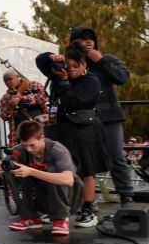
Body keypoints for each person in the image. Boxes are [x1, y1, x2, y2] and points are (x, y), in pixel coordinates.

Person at [36, 43, 109, 228]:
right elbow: (40, 60)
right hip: (60, 128)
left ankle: (88, 209)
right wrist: (53, 58)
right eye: (69, 66)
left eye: (77, 66)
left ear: (84, 65)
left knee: (85, 170)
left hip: (84, 130)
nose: (73, 70)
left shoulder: (90, 81)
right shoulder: (59, 73)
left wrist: (62, 81)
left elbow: (73, 102)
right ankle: (61, 208)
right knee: (59, 168)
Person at [70, 26, 136, 206]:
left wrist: (101, 61)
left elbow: (123, 77)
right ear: (75, 42)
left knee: (117, 158)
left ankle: (126, 197)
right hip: (81, 119)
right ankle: (83, 202)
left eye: (91, 38)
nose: (89, 41)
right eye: (84, 38)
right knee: (81, 160)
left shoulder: (106, 59)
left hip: (109, 117)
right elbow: (44, 64)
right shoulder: (71, 63)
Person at [0, 120, 78, 236]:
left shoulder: (57, 149)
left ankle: (61, 220)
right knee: (11, 171)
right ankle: (30, 218)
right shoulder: (20, 149)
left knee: (54, 172)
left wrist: (31, 171)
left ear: (42, 137)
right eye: (25, 145)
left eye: (32, 145)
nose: (29, 149)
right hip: (42, 197)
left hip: (70, 198)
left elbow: (68, 180)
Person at [0, 70, 49, 145]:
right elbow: (4, 117)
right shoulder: (6, 97)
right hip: (20, 134)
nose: (8, 83)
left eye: (10, 79)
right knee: (21, 154)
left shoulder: (33, 85)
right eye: (5, 81)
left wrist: (23, 98)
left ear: (17, 77)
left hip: (41, 129)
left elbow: (44, 97)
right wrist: (10, 107)